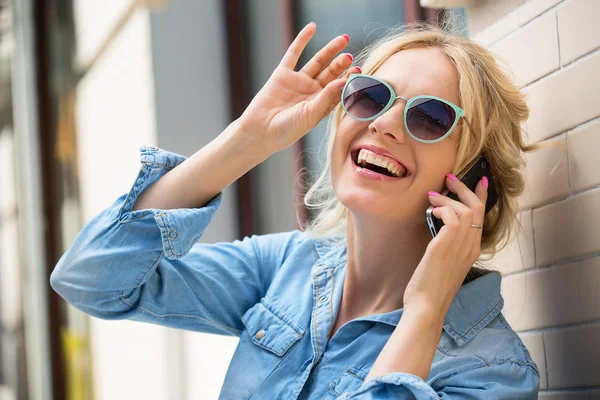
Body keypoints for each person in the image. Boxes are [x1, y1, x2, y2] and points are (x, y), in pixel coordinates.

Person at [50, 21, 541, 399]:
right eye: (370, 96)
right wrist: (246, 141)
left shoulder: (492, 370)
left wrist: (426, 310)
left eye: (429, 117)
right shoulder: (287, 267)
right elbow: (89, 278)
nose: (385, 125)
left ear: (473, 177)